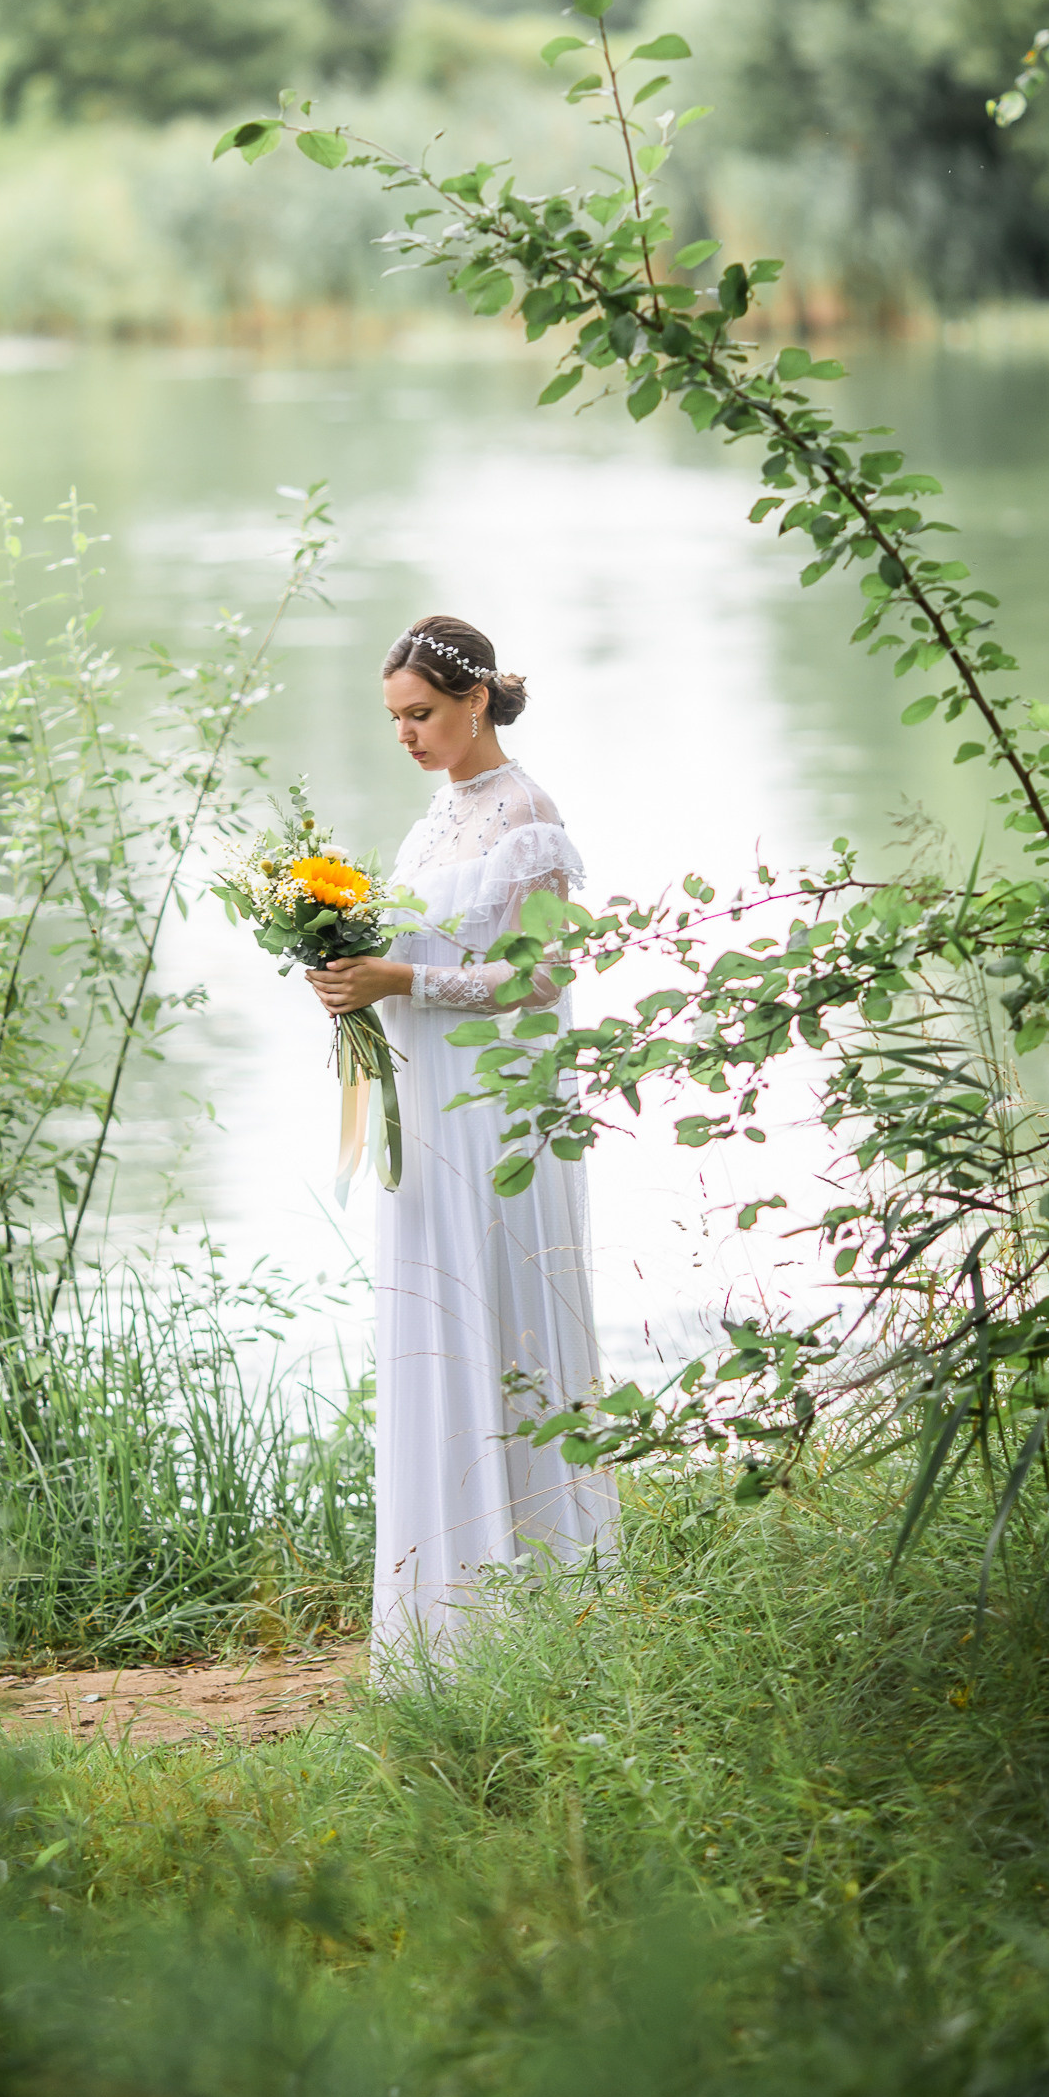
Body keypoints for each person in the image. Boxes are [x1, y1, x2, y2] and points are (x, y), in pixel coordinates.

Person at [310, 614, 618, 1659]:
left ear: (475, 700)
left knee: (501, 1314)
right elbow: (412, 943)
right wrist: (344, 972)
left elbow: (542, 976)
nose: (405, 735)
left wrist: (401, 978)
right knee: (434, 1323)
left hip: (493, 1107)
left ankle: (546, 1605)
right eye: (394, 718)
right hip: (426, 1102)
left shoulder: (529, 819)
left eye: (421, 714)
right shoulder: (435, 819)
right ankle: (443, 1617)